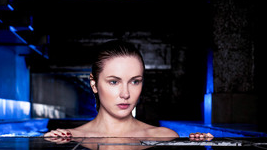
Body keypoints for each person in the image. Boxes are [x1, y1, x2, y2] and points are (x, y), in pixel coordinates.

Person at [44, 39, 213, 140]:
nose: (125, 94)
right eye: (114, 82)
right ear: (94, 84)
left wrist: (207, 149)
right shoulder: (69, 138)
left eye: (134, 82)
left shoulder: (164, 136)